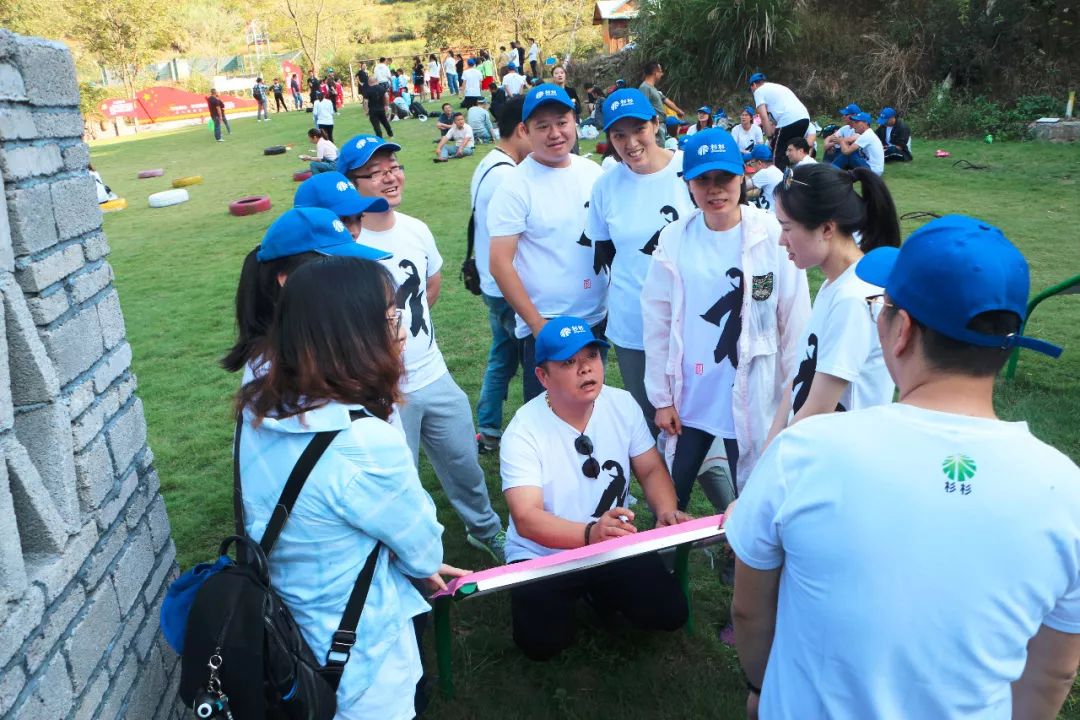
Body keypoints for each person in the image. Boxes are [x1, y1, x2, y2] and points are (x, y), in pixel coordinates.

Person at [726, 214, 1077, 720]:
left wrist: (760, 685)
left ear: (901, 330)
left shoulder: (803, 454)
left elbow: (749, 610)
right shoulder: (1065, 491)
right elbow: (1053, 673)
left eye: (881, 307)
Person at [236, 251, 453, 719]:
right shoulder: (364, 443)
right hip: (358, 661)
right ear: (352, 335)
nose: (402, 329)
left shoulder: (259, 409)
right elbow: (424, 552)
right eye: (390, 317)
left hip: (288, 636)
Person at [338, 134, 508, 562]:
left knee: (464, 461)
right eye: (374, 173)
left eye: (393, 167)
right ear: (351, 185)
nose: (390, 177)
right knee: (398, 480)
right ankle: (407, 559)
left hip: (434, 374)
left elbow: (430, 285)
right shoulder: (345, 247)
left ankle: (484, 529)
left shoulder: (415, 229)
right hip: (382, 388)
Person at [500, 316, 691, 661]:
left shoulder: (622, 404)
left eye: (591, 356)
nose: (585, 368)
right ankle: (586, 593)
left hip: (612, 540)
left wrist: (666, 511)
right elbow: (526, 518)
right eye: (568, 362)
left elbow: (650, 468)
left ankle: (600, 591)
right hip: (544, 553)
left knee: (670, 612)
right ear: (542, 376)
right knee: (541, 643)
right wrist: (590, 533)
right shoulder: (522, 431)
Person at [641, 127, 810, 511]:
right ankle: (672, 552)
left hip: (754, 391)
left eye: (725, 178)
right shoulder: (674, 239)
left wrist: (795, 400)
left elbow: (795, 321)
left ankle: (745, 548)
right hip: (692, 393)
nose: (715, 190)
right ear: (688, 184)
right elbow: (657, 321)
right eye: (703, 180)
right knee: (671, 497)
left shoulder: (771, 233)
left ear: (742, 177)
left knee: (756, 497)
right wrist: (662, 399)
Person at [763, 162, 900, 450]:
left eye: (786, 228)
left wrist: (773, 459)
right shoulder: (834, 284)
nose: (781, 240)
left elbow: (819, 409)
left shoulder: (853, 299)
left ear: (827, 228)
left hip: (837, 457)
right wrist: (772, 439)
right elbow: (801, 375)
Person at [582, 88, 694, 437]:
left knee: (699, 418)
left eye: (639, 129)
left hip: (693, 318)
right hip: (634, 323)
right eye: (619, 135)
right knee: (650, 420)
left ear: (656, 124)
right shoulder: (605, 186)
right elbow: (606, 252)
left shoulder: (690, 170)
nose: (631, 143)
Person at [488, 84, 605, 402]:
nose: (555, 133)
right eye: (542, 126)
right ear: (525, 131)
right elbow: (499, 263)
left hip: (596, 318)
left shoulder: (592, 173)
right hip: (550, 323)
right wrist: (538, 325)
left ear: (575, 122)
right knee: (551, 415)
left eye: (562, 122)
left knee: (592, 408)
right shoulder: (515, 186)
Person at [470, 96, 531, 454]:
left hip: (491, 284)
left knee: (502, 357)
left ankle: (489, 429)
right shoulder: (509, 176)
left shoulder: (488, 163)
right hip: (506, 286)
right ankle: (533, 436)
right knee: (536, 362)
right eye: (537, 127)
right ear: (522, 129)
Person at [747, 72, 809, 171]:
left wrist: (770, 137)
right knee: (793, 151)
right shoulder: (777, 87)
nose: (752, 92)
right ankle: (796, 175)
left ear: (753, 85)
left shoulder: (758, 91)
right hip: (804, 119)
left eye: (751, 90)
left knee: (777, 155)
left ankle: (778, 178)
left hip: (789, 119)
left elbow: (763, 116)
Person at [639, 61, 685, 139]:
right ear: (655, 73)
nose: (662, 74)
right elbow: (643, 108)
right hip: (654, 125)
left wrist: (679, 111)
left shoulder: (653, 88)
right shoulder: (644, 87)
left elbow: (665, 100)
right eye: (660, 71)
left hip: (661, 124)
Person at [832, 111, 885, 175]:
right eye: (854, 122)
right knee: (851, 152)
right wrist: (843, 142)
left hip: (873, 171)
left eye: (857, 122)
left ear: (865, 123)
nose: (854, 124)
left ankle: (830, 172)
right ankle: (832, 171)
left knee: (849, 154)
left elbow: (846, 152)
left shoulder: (867, 135)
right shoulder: (867, 133)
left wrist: (841, 141)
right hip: (870, 167)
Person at [746, 144, 783, 213]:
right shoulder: (776, 170)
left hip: (770, 214)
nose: (752, 166)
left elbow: (741, 187)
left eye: (752, 163)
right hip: (775, 211)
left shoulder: (765, 172)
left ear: (759, 163)